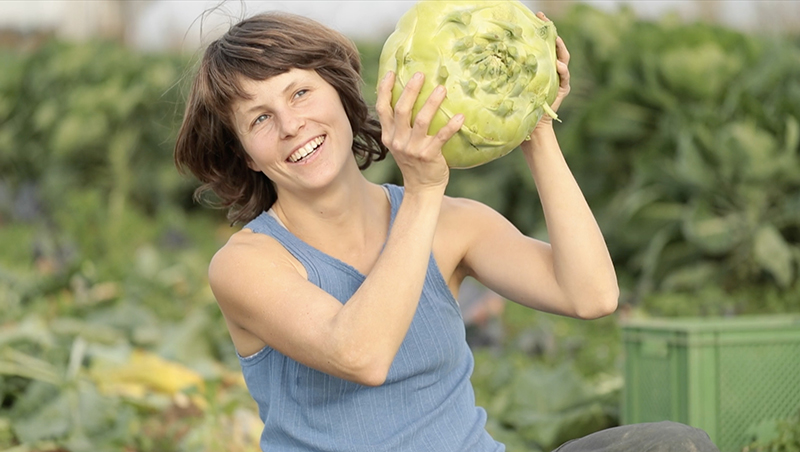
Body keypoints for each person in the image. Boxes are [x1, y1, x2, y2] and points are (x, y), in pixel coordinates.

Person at [174, 9, 719, 452]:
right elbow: (360, 354)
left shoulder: (454, 225)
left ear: (341, 94)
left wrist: (535, 129)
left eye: (299, 94)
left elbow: (593, 295)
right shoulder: (247, 264)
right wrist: (424, 191)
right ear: (243, 154)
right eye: (259, 119)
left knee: (673, 445)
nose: (291, 124)